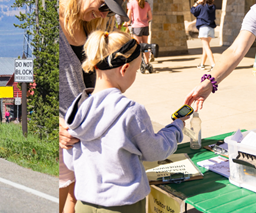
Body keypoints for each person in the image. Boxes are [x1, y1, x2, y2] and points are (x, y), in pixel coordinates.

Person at [65, 30, 188, 213]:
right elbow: (156, 151)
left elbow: (70, 162)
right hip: (124, 205)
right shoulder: (130, 110)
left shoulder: (77, 111)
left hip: (85, 204)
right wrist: (177, 127)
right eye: (136, 70)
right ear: (124, 69)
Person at [58, 0, 124, 213]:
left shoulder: (92, 28)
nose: (103, 14)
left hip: (83, 136)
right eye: (104, 6)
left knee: (76, 200)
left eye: (109, 11)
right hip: (61, 136)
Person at [191, 0, 217, 70]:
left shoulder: (201, 6)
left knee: (206, 47)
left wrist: (197, 2)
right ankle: (202, 64)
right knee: (205, 47)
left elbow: (193, 10)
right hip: (211, 28)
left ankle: (213, 64)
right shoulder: (213, 6)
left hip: (203, 28)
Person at [127, 0, 153, 64]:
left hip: (136, 26)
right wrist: (145, 21)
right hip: (145, 26)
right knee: (145, 45)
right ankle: (147, 62)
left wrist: (128, 23)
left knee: (137, 46)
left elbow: (129, 16)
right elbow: (150, 17)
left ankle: (138, 63)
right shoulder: (147, 4)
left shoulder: (132, 3)